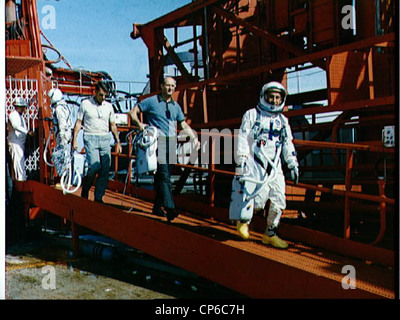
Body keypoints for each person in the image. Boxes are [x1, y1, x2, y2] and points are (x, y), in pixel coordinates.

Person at [231, 81, 299, 249]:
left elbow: (288, 143)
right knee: (258, 200)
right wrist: (241, 161)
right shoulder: (252, 115)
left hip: (275, 167)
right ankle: (243, 220)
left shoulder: (283, 121)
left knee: (279, 201)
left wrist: (292, 164)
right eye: (271, 97)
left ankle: (270, 233)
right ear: (264, 97)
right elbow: (243, 138)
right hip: (255, 163)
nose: (275, 100)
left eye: (278, 97)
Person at [129, 76, 200, 221]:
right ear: (162, 86)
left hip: (172, 143)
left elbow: (183, 125)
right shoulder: (152, 101)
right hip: (159, 142)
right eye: (168, 86)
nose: (170, 89)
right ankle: (170, 208)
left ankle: (157, 207)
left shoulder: (175, 106)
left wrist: (194, 138)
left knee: (162, 176)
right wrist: (140, 125)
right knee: (164, 176)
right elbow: (132, 112)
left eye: (173, 86)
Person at [72, 81, 122, 203]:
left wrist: (118, 141)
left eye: (105, 95)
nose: (103, 98)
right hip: (90, 138)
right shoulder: (85, 104)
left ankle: (98, 197)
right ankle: (86, 188)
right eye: (101, 95)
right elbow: (78, 122)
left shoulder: (109, 106)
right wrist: (74, 140)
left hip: (105, 138)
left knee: (105, 169)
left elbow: (113, 124)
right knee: (94, 166)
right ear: (95, 92)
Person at [7, 97, 35, 181]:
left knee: (18, 163)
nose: (24, 109)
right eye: (23, 107)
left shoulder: (20, 116)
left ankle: (19, 180)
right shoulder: (13, 115)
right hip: (15, 142)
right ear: (18, 107)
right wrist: (27, 132)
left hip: (20, 143)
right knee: (19, 164)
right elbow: (16, 126)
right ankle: (21, 181)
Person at [48, 88, 74, 176]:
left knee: (63, 158)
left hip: (63, 135)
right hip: (66, 134)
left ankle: (64, 177)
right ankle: (66, 178)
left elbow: (62, 124)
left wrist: (62, 138)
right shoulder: (64, 106)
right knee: (65, 157)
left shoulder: (59, 108)